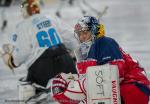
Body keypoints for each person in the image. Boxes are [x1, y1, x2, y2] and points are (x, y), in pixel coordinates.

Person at [50, 16, 150, 104]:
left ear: (94, 31)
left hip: (134, 89)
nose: (82, 37)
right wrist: (68, 83)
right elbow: (94, 83)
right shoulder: (84, 53)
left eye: (85, 32)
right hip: (120, 91)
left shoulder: (104, 42)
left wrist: (73, 87)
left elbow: (113, 75)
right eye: (79, 34)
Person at [1, 0, 78, 89]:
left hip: (42, 66)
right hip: (65, 61)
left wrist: (12, 62)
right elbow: (71, 37)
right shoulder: (51, 17)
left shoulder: (23, 25)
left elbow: (23, 52)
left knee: (33, 93)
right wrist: (73, 56)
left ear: (25, 11)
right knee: (73, 90)